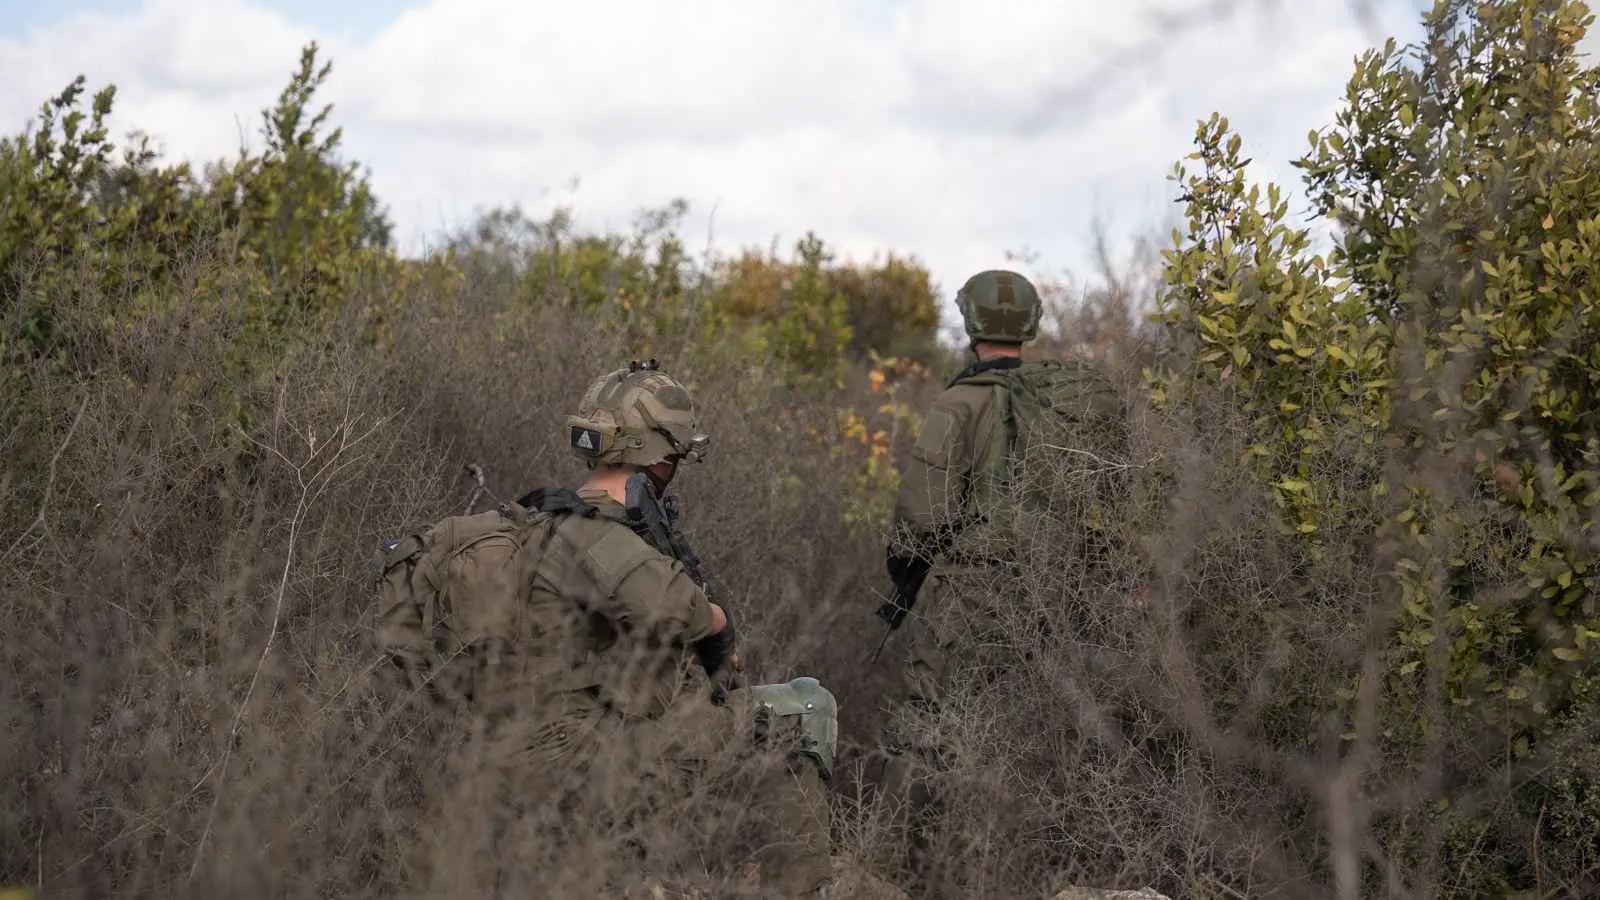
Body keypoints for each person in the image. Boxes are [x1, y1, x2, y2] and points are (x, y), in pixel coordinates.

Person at [385, 360, 839, 896]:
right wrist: (717, 622)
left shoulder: (532, 522)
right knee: (805, 708)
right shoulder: (602, 540)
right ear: (660, 458)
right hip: (581, 770)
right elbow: (691, 614)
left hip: (502, 764)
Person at [869, 269, 1131, 887]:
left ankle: (906, 876)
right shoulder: (1069, 403)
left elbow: (919, 520)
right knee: (1038, 733)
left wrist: (913, 577)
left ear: (969, 322)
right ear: (1032, 324)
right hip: (1062, 594)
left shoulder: (959, 403)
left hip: (973, 592)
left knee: (929, 729)